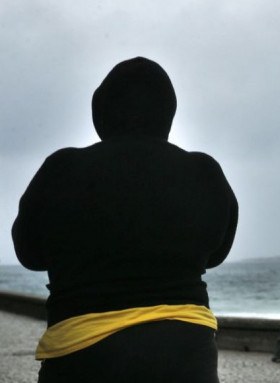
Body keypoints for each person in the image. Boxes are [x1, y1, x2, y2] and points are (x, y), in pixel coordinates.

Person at [12, 57, 238, 383]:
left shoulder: (62, 169)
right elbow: (216, 254)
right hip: (186, 354)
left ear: (100, 114)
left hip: (82, 355)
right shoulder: (205, 172)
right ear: (168, 115)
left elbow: (28, 253)